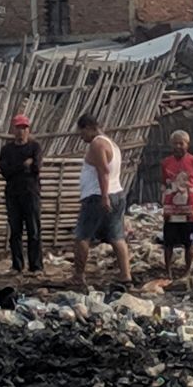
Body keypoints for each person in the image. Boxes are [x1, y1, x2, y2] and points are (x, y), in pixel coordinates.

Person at [72, 114, 131, 287]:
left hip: (97, 196)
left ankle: (79, 275)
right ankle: (125, 274)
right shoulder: (112, 144)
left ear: (89, 128)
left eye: (81, 132)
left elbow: (103, 171)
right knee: (116, 237)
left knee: (82, 236)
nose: (81, 137)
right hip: (117, 193)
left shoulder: (97, 144)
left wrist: (104, 196)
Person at [0, 113, 43, 273]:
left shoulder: (34, 147)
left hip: (31, 193)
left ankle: (36, 266)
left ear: (28, 130)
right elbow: (5, 171)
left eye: (24, 128)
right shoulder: (6, 150)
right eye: (18, 128)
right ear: (13, 129)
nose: (21, 131)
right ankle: (17, 265)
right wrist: (23, 165)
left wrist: (26, 166)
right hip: (13, 194)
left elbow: (36, 167)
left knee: (34, 231)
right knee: (15, 231)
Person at [160, 130, 193, 282]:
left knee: (189, 242)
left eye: (181, 143)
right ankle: (168, 271)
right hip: (172, 208)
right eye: (175, 143)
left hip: (190, 209)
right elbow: (164, 183)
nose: (178, 146)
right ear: (171, 145)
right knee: (169, 241)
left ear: (188, 144)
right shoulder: (166, 163)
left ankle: (187, 271)